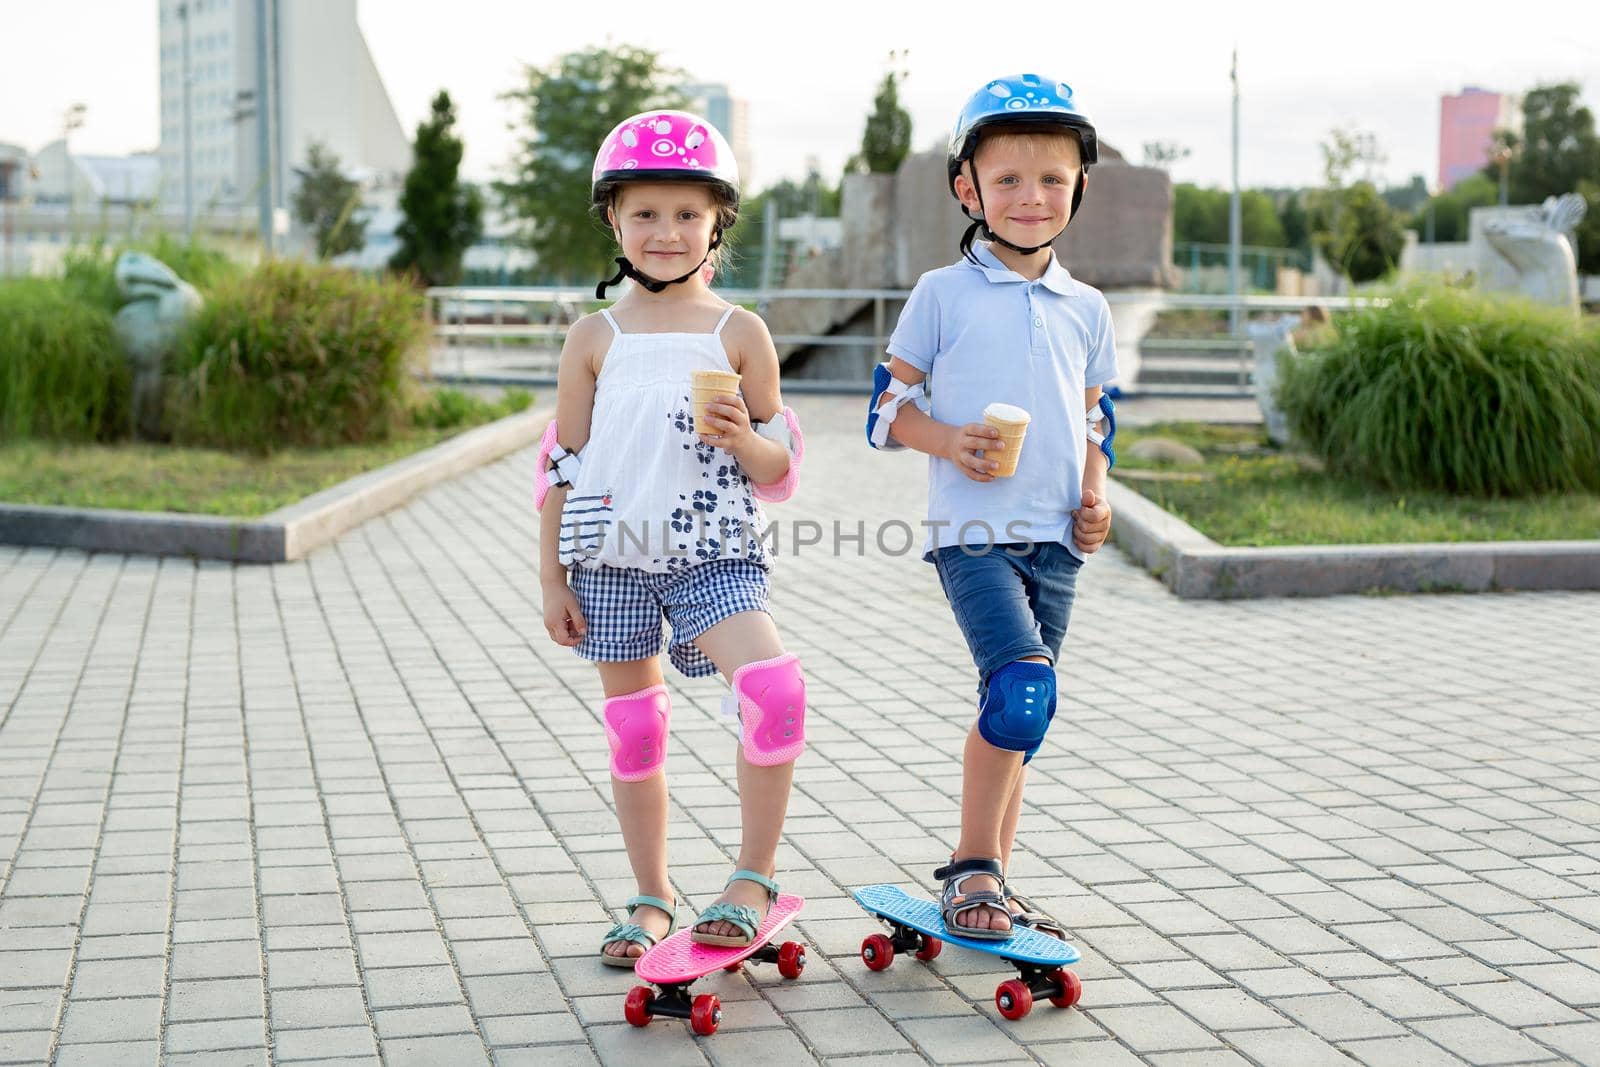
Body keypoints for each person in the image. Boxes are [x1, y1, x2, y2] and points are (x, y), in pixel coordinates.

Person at [535, 110, 808, 966]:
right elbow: (561, 465)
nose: (665, 231)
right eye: (644, 213)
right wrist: (553, 578)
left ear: (717, 222)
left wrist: (745, 438)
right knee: (636, 732)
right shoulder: (594, 337)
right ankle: (651, 898)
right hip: (610, 559)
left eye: (687, 213)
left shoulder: (739, 332)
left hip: (714, 553)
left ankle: (751, 880)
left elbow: (781, 467)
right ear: (613, 221)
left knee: (774, 693)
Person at [865, 74, 1118, 941]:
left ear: (1079, 186)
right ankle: (970, 872)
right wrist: (947, 441)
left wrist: (1098, 493)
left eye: (1052, 178)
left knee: (1028, 711)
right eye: (1007, 179)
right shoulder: (942, 292)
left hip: (1057, 540)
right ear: (967, 187)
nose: (1031, 197)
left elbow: (1095, 416)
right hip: (971, 535)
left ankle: (994, 883)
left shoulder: (1086, 306)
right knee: (1019, 688)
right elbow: (882, 410)